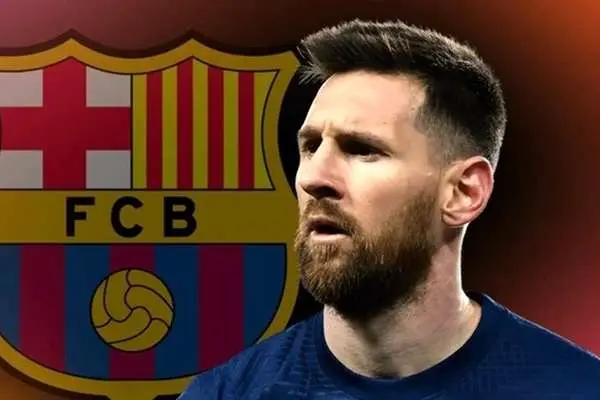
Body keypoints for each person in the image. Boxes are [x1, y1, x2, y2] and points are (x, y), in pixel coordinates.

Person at [179, 19, 600, 399]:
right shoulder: (226, 394)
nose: (313, 178)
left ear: (463, 193)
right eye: (311, 146)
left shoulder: (577, 389)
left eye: (361, 149)